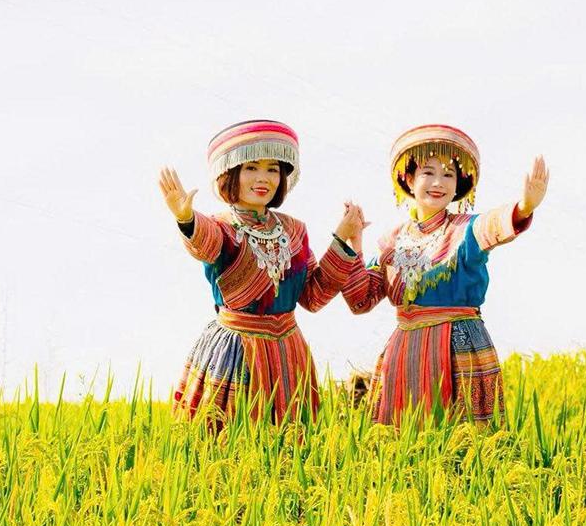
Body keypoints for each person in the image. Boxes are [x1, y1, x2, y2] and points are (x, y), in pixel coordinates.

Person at [159, 119, 365, 428]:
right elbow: (205, 242)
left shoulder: (294, 230)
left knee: (290, 446)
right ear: (230, 174)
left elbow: (313, 295)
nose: (263, 178)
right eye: (251, 168)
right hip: (235, 351)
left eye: (272, 169)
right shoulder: (222, 227)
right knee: (228, 439)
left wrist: (341, 239)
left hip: (288, 353)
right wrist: (186, 217)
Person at [342, 124, 549, 425]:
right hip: (405, 353)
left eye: (449, 174)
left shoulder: (467, 229)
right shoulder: (391, 241)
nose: (438, 182)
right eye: (428, 172)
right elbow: (360, 301)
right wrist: (354, 242)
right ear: (410, 179)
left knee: (467, 446)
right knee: (402, 442)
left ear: (457, 185)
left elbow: (494, 225)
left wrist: (525, 206)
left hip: (460, 348)